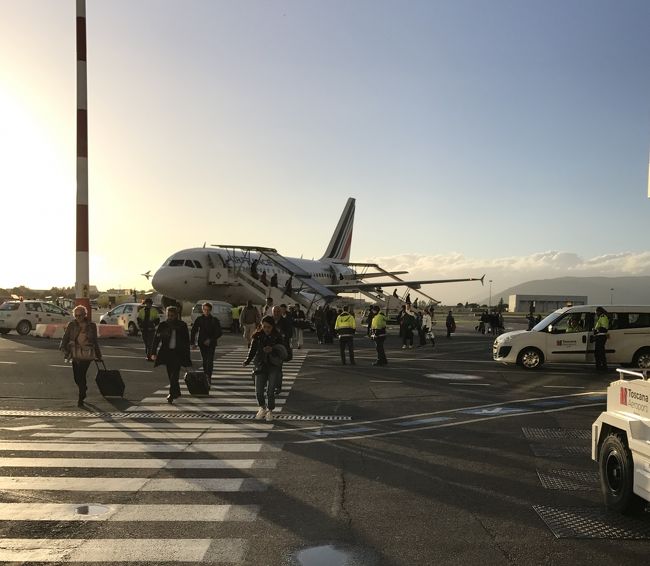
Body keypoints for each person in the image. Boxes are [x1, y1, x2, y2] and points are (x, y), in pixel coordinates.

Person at [243, 315, 286, 422]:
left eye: (269, 327)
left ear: (272, 327)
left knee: (271, 390)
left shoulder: (278, 336)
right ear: (261, 326)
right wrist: (247, 361)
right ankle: (262, 407)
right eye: (264, 326)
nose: (266, 329)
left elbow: (283, 351)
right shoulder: (257, 336)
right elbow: (252, 350)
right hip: (260, 365)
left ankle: (270, 410)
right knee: (258, 391)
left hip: (273, 365)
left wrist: (272, 350)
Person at [60, 305, 102, 407]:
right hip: (75, 352)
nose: (78, 317)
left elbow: (95, 341)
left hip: (87, 353)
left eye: (80, 315)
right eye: (76, 315)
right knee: (76, 377)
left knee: (81, 374)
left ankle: (81, 396)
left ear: (85, 315)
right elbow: (65, 337)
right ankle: (83, 388)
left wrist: (98, 355)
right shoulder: (72, 325)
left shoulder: (91, 325)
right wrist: (63, 347)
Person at [151, 306, 192, 404]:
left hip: (178, 353)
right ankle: (176, 392)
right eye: (168, 315)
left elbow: (186, 341)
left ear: (176, 315)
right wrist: (153, 352)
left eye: (172, 315)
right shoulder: (163, 325)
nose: (170, 317)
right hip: (167, 353)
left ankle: (171, 394)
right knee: (170, 375)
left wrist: (187, 356)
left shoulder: (182, 325)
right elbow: (156, 339)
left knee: (175, 375)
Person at [191, 302, 223, 379]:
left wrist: (211, 339)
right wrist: (192, 342)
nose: (206, 311)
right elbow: (194, 330)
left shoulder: (214, 320)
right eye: (205, 309)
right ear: (202, 310)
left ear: (210, 310)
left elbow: (219, 332)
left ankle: (208, 376)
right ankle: (206, 374)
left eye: (208, 310)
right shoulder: (199, 319)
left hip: (211, 343)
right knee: (205, 360)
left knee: (210, 360)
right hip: (202, 343)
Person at [594, 306, 610, 371]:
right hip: (599, 336)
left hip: (601, 337)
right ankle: (600, 366)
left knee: (600, 353)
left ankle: (603, 367)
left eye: (596, 312)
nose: (596, 313)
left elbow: (604, 328)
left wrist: (596, 330)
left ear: (599, 311)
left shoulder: (603, 317)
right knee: (598, 353)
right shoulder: (601, 317)